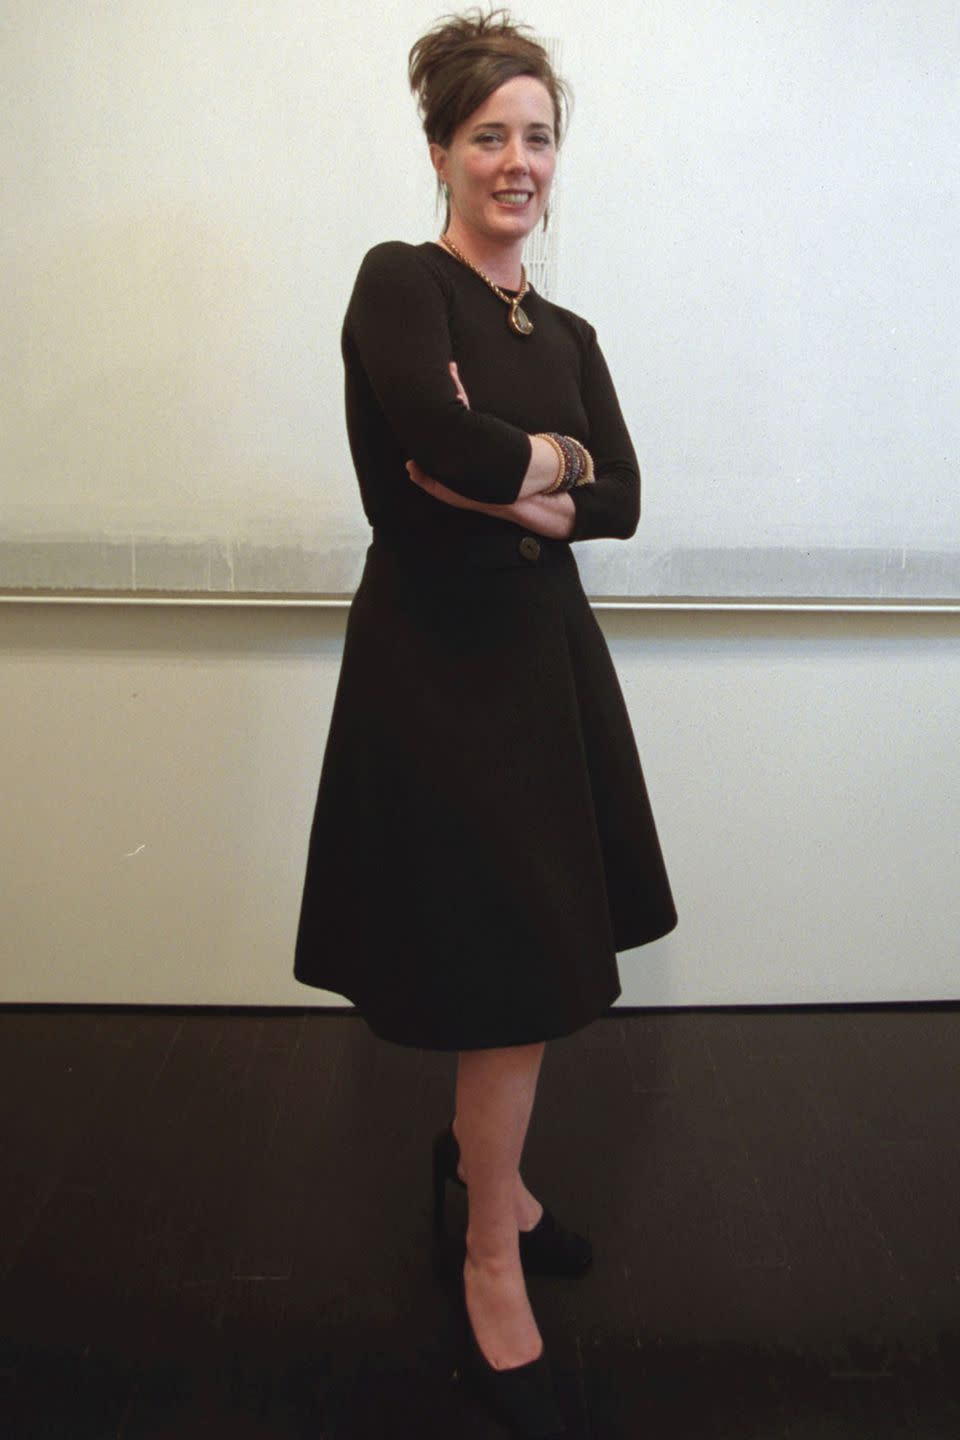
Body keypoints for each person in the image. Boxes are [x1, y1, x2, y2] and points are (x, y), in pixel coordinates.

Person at [293, 9, 677, 1433]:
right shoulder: (402, 282)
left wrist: (520, 472)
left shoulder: (565, 329)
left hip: (541, 661)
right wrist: (506, 472)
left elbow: (623, 496)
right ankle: (484, 1243)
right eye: (489, 137)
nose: (518, 161)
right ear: (444, 151)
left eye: (538, 136)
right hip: (438, 664)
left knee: (538, 943)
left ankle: (492, 1175)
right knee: (500, 956)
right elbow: (423, 453)